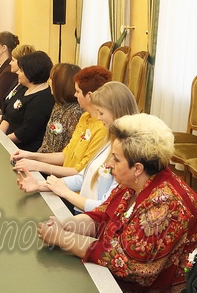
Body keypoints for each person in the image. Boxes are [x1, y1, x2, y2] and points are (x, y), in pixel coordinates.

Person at [37, 114, 197, 292]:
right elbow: (101, 216)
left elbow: (129, 264)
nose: (109, 164)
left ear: (137, 168)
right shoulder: (133, 182)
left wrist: (63, 238)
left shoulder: (166, 205)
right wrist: (66, 224)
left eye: (116, 158)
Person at [18, 81, 139, 213]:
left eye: (101, 113)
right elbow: (83, 177)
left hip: (91, 217)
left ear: (116, 112)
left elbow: (106, 207)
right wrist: (40, 185)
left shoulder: (126, 154)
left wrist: (65, 192)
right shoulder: (108, 141)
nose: (99, 118)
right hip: (84, 213)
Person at [11, 65, 111, 178]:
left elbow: (81, 172)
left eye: (78, 91)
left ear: (89, 96)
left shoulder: (102, 127)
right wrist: (31, 156)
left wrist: (38, 165)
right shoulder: (85, 117)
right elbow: (66, 154)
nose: (75, 94)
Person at [0, 51, 55, 152]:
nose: (18, 73)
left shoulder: (42, 99)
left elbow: (26, 132)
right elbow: (8, 116)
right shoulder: (23, 87)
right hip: (7, 139)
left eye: (21, 70)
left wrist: (2, 140)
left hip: (22, 148)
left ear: (31, 73)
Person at [0, 44, 36, 124]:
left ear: (22, 63)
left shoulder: (24, 86)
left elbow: (14, 118)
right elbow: (9, 110)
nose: (10, 63)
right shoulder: (17, 82)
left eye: (13, 60)